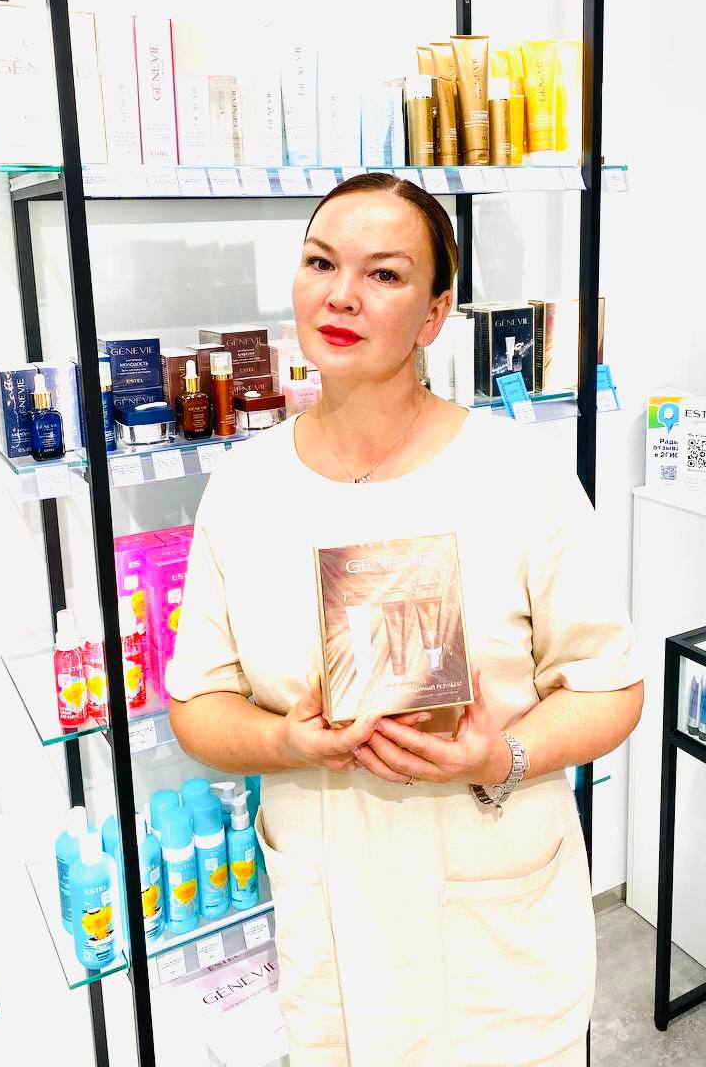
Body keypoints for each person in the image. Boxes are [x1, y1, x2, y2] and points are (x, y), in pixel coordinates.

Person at [167, 172, 643, 1067]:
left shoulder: (520, 476)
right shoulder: (243, 490)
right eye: (320, 263)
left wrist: (499, 756)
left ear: (435, 314)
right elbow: (198, 703)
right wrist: (285, 742)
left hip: (495, 925)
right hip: (329, 932)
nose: (341, 294)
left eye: (384, 273)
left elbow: (610, 689)